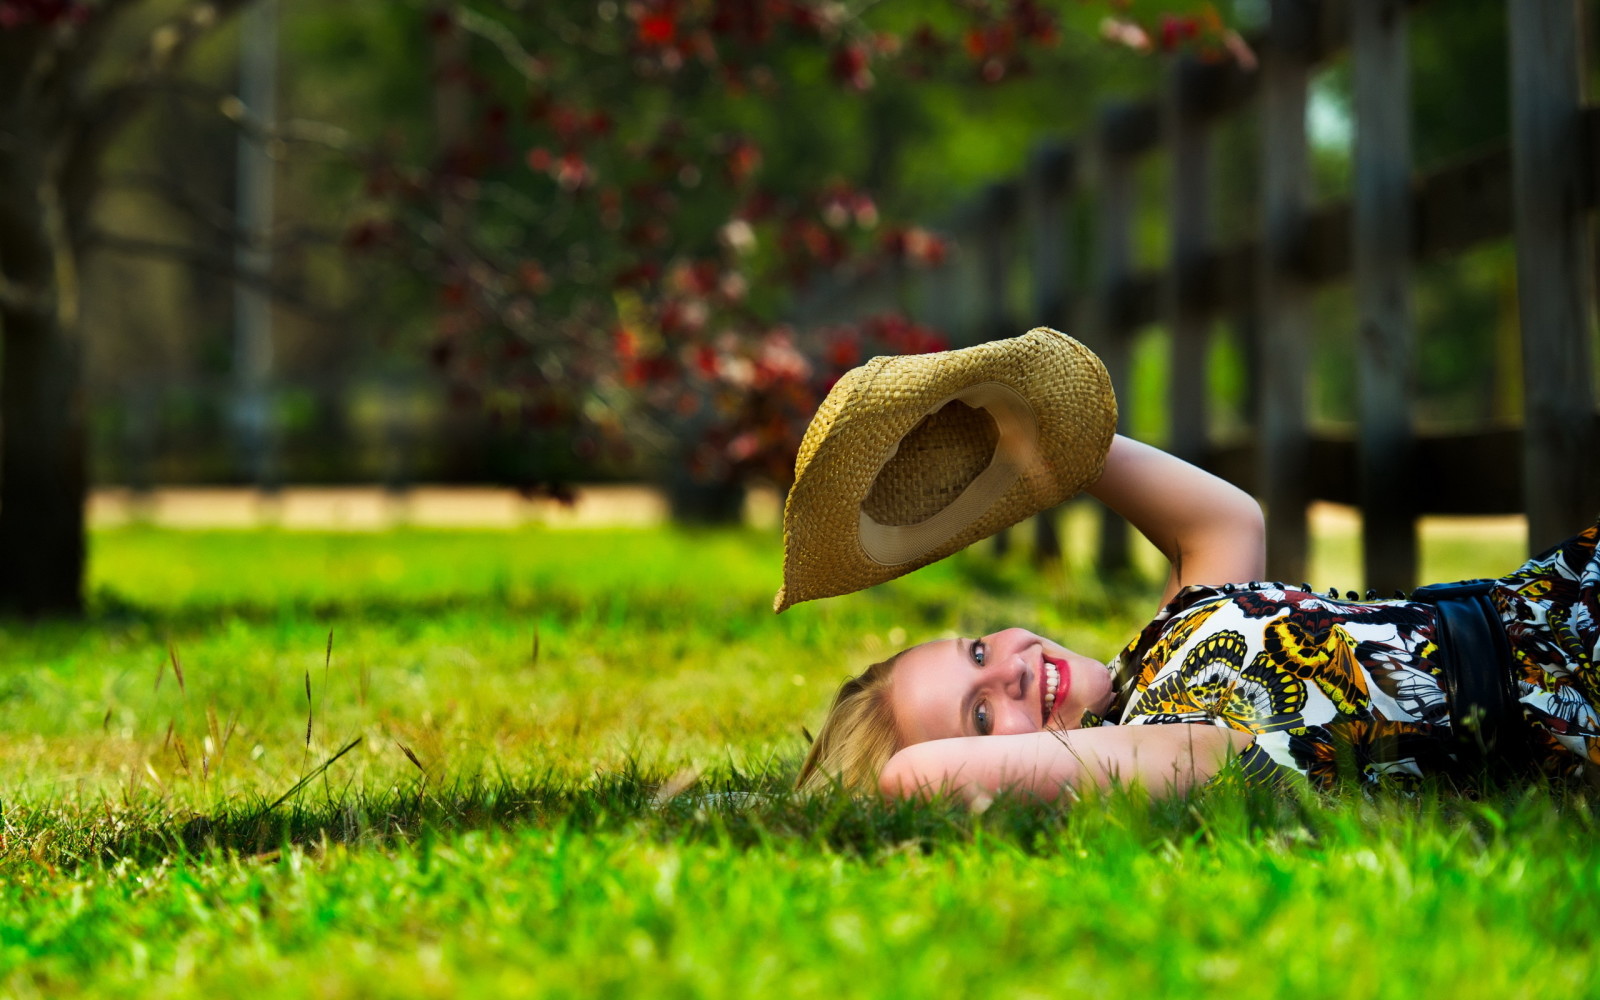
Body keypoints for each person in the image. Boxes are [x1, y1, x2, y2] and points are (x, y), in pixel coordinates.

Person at [794, 433, 1600, 803]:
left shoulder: (1157, 651)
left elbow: (1224, 524)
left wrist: (1041, 439)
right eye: (979, 714)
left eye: (976, 650)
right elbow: (911, 777)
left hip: (1551, 597)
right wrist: (889, 784)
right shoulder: (1163, 751)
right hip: (1562, 697)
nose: (1007, 669)